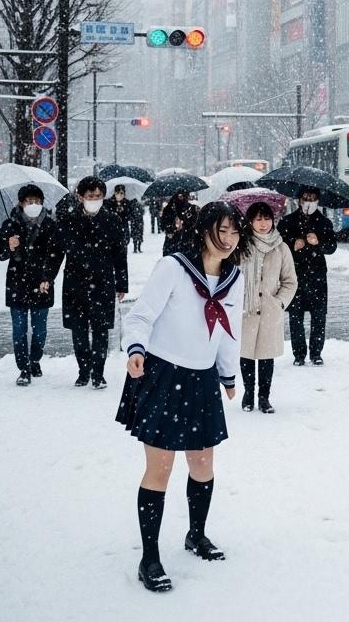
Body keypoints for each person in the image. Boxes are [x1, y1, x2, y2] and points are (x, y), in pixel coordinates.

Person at [116, 201, 249, 594]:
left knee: (203, 463)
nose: (227, 240)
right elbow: (140, 316)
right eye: (220, 230)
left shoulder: (234, 277)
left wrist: (227, 372)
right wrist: (136, 349)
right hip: (163, 374)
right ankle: (150, 557)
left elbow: (229, 328)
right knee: (160, 468)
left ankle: (196, 535)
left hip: (202, 377)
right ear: (204, 229)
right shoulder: (174, 267)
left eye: (234, 232)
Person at [57, 176, 129, 389]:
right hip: (75, 282)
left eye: (98, 196)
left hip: (102, 282)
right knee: (78, 330)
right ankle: (83, 370)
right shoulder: (68, 220)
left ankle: (98, 373)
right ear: (80, 197)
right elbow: (56, 251)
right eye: (90, 196)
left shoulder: (112, 220)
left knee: (100, 330)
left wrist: (121, 284)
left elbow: (119, 254)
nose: (95, 199)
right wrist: (47, 276)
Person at [0, 184, 64, 386]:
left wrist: (47, 277)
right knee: (19, 330)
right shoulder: (10, 225)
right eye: (29, 201)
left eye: (36, 201)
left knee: (40, 330)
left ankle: (34, 359)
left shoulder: (50, 225)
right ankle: (24, 368)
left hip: (41, 284)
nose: (33, 204)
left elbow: (56, 254)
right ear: (21, 203)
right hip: (17, 283)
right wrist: (9, 246)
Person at [238, 201, 297, 413]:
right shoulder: (241, 245)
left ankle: (264, 397)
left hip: (270, 309)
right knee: (246, 354)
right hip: (246, 308)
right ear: (250, 222)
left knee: (266, 356)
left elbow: (290, 281)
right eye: (258, 219)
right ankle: (247, 393)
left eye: (266, 219)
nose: (263, 224)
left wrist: (279, 302)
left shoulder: (281, 247)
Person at [279, 187, 337, 365]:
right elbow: (278, 246)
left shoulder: (324, 223)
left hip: (317, 275)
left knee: (319, 317)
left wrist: (318, 242)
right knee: (295, 317)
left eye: (313, 198)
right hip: (294, 275)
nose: (309, 201)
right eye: (306, 198)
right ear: (299, 200)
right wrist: (292, 243)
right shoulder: (287, 222)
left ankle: (316, 353)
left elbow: (332, 247)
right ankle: (299, 355)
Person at [161, 191, 197, 256]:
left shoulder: (191, 208)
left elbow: (195, 224)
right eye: (180, 196)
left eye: (185, 196)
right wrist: (171, 227)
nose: (183, 198)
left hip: (186, 243)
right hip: (173, 243)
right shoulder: (169, 209)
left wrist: (186, 223)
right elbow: (163, 225)